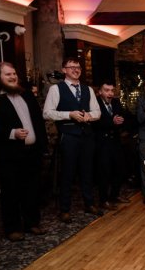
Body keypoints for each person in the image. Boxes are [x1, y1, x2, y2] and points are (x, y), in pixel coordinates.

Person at [0, 62, 48, 241]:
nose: (13, 77)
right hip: (8, 155)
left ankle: (32, 223)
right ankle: (12, 228)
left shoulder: (26, 94)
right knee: (11, 191)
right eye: (8, 75)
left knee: (32, 189)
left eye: (14, 73)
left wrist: (42, 146)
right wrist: (12, 133)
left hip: (32, 152)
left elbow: (38, 121)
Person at [43, 57, 102, 223]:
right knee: (67, 173)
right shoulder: (56, 89)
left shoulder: (87, 89)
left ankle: (89, 203)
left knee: (87, 171)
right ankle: (65, 209)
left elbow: (97, 111)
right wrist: (69, 114)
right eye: (72, 67)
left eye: (78, 67)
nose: (76, 70)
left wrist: (90, 117)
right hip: (68, 136)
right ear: (64, 70)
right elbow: (47, 113)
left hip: (87, 135)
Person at [93, 81, 130, 211]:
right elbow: (94, 122)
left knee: (121, 169)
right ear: (100, 92)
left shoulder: (115, 102)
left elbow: (121, 115)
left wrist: (122, 121)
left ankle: (114, 196)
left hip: (115, 141)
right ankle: (103, 200)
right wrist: (111, 121)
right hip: (101, 142)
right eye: (107, 90)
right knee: (104, 172)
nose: (110, 93)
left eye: (112, 90)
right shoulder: (95, 103)